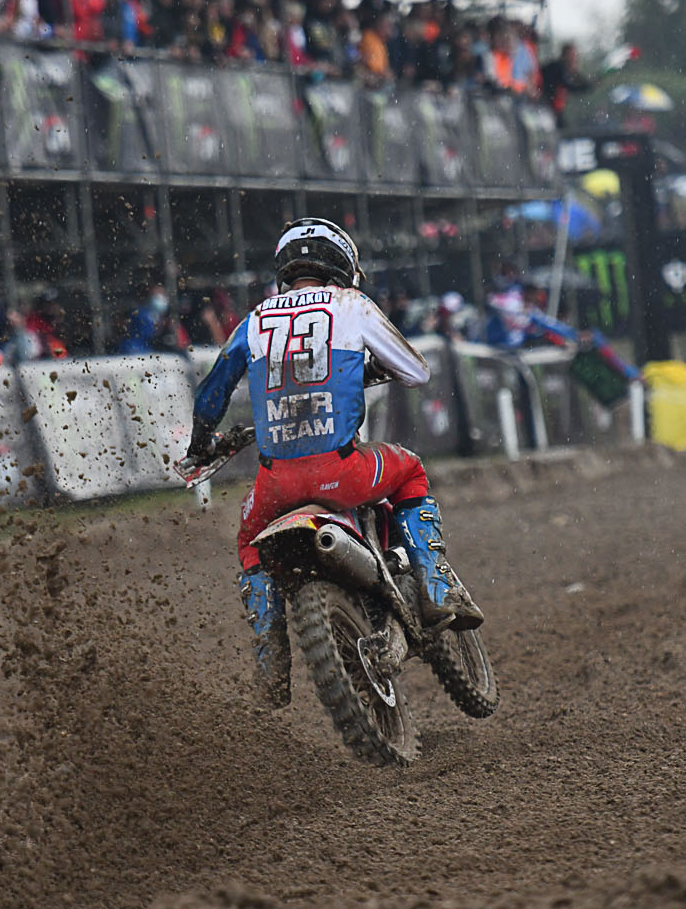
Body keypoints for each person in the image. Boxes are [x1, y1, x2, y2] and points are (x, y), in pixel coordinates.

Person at [186, 218, 483, 708]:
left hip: (276, 486)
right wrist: (362, 368)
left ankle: (269, 658)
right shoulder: (350, 304)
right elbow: (415, 371)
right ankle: (435, 587)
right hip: (342, 472)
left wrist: (202, 444)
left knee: (248, 542)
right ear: (342, 263)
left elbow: (211, 393)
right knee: (410, 469)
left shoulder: (254, 320)